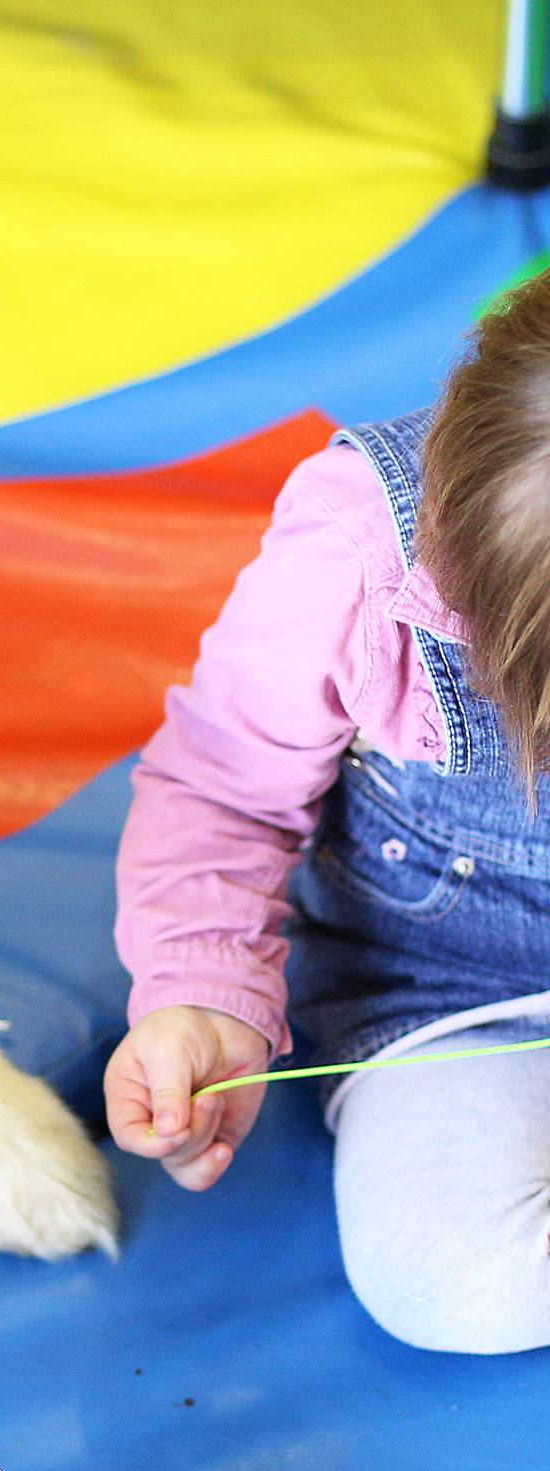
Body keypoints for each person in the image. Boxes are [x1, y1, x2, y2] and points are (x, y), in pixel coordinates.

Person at [104, 276, 550, 1355]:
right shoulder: (358, 553)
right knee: (451, 1281)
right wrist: (205, 993)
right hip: (454, 993)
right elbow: (220, 786)